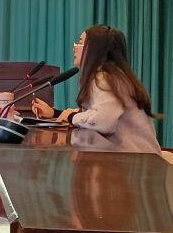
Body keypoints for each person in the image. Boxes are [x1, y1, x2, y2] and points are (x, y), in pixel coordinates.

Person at [30, 24, 163, 154]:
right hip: (132, 158)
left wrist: (70, 116)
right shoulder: (111, 76)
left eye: (80, 43)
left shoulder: (106, 78)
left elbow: (104, 122)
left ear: (94, 49)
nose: (74, 48)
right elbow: (98, 113)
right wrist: (56, 113)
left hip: (140, 161)